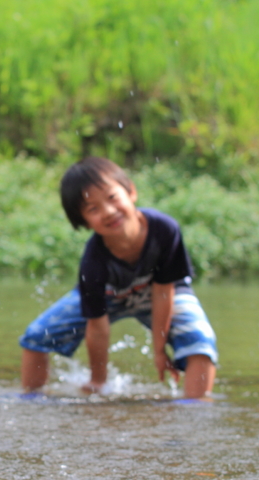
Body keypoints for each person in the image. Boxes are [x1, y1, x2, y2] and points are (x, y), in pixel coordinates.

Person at [19, 157, 217, 399]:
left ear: (131, 191)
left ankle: (195, 408)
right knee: (37, 335)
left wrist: (159, 350)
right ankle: (31, 401)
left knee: (201, 340)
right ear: (83, 222)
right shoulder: (93, 260)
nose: (109, 212)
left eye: (112, 198)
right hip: (110, 297)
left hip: (158, 292)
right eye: (93, 209)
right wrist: (97, 381)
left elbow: (163, 291)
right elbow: (97, 326)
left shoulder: (164, 230)